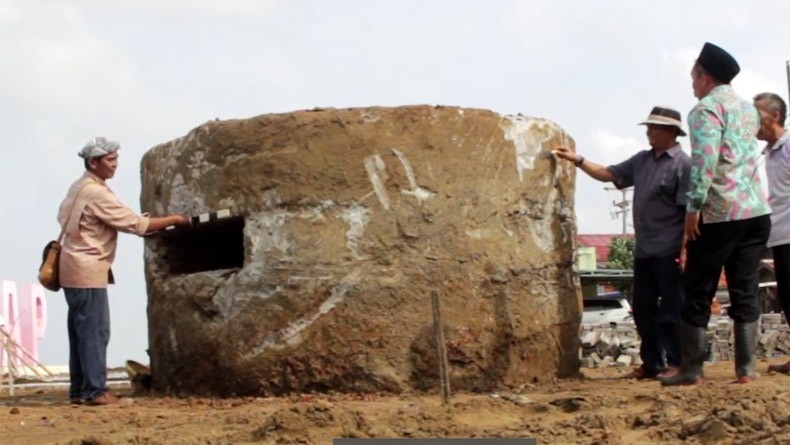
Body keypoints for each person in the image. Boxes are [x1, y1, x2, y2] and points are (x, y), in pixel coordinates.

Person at [661, 43, 771, 386]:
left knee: (697, 288)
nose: (692, 85)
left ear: (704, 77)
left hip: (721, 211)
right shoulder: (749, 110)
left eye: (693, 78)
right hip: (756, 211)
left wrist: (693, 208)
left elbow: (705, 162)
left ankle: (692, 370)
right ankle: (746, 370)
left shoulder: (705, 110)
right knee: (745, 288)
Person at [554, 105, 691, 380]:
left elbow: (690, 210)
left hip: (670, 250)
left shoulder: (683, 165)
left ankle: (677, 362)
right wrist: (577, 160)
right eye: (648, 127)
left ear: (671, 132)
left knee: (671, 311)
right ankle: (653, 364)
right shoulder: (642, 160)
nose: (649, 132)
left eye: (654, 128)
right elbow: (609, 174)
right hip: (645, 250)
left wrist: (686, 248)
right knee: (642, 309)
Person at [58, 137, 191, 405]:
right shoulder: (97, 192)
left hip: (71, 268)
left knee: (81, 333)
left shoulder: (79, 187)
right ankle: (96, 391)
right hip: (88, 270)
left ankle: (80, 391)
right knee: (96, 332)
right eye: (109, 160)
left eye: (116, 159)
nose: (114, 165)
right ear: (93, 162)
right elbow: (134, 225)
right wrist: (175, 219)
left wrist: (141, 220)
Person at [753, 92, 790, 374]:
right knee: (786, 297)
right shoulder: (768, 153)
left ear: (774, 116)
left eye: (758, 115)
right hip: (779, 233)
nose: (753, 122)